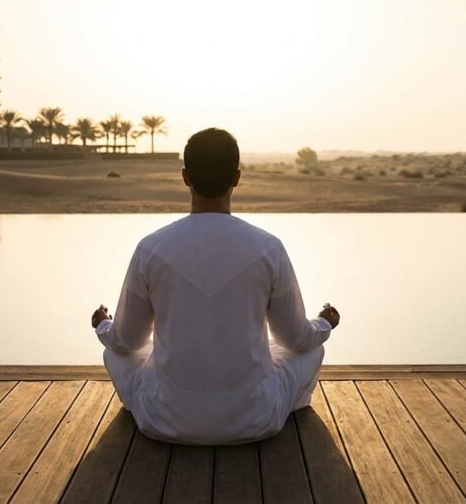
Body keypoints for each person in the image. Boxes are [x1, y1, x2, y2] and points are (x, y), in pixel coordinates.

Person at [91, 128, 340, 445]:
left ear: (185, 177)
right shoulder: (268, 248)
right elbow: (295, 338)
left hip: (164, 420)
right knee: (312, 347)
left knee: (117, 353)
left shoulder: (151, 248)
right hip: (256, 420)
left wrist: (103, 325)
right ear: (237, 178)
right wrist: (325, 323)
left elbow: (126, 341)